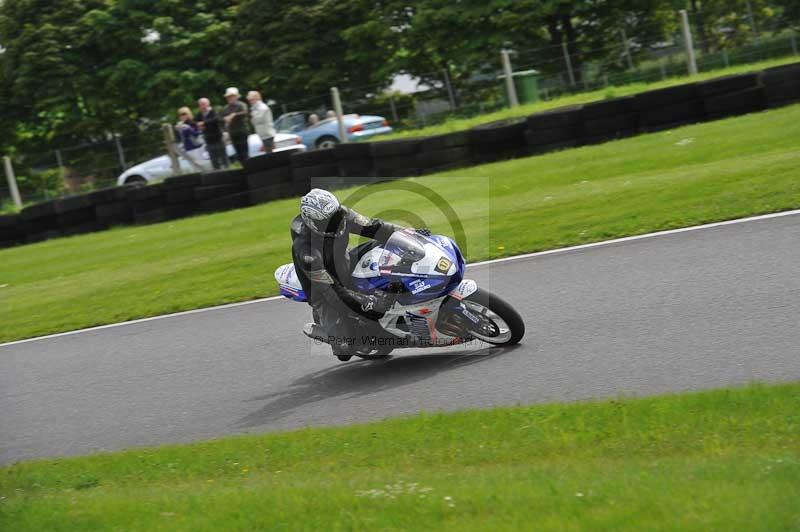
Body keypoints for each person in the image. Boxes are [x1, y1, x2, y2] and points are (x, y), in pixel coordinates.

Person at [291, 188, 404, 357]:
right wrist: (367, 302)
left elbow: (375, 227)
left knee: (385, 247)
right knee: (344, 349)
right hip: (323, 291)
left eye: (335, 216)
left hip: (346, 261)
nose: (335, 223)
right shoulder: (307, 251)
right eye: (328, 221)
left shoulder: (343, 214)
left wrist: (409, 233)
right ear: (312, 222)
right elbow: (331, 291)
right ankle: (325, 325)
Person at [195, 98, 228, 169]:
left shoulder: (214, 111)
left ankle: (228, 170)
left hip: (218, 138)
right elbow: (195, 123)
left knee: (223, 157)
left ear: (208, 104)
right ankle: (218, 173)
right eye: (200, 105)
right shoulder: (199, 114)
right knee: (214, 159)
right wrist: (199, 126)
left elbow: (217, 120)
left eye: (204, 104)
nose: (202, 106)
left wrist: (204, 123)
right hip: (208, 139)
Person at [221, 87, 250, 163]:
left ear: (236, 96)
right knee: (238, 153)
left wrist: (234, 115)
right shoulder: (225, 108)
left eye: (231, 96)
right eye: (228, 97)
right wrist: (225, 119)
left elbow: (245, 113)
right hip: (233, 133)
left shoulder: (241, 105)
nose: (229, 98)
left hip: (242, 131)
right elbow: (222, 118)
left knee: (244, 153)